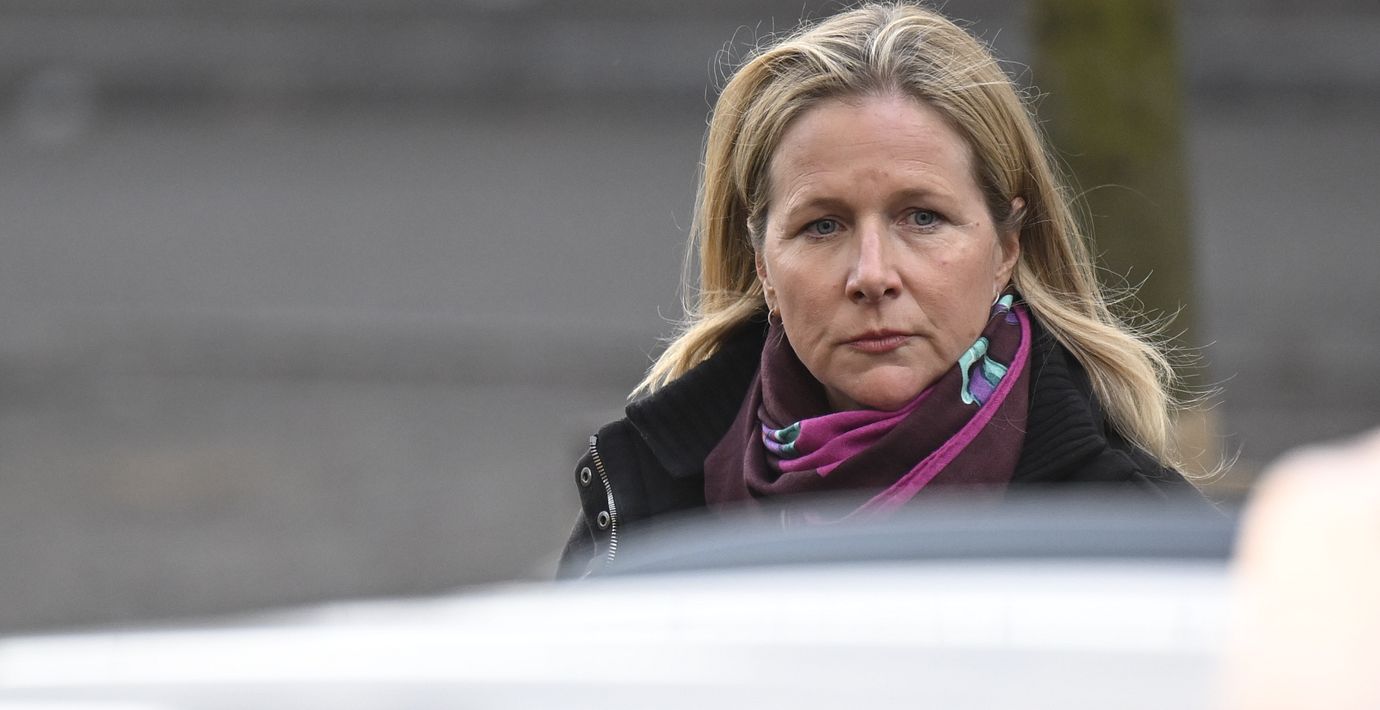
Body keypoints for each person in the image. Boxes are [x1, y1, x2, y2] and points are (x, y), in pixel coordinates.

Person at [559, 2, 1197, 578]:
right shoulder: (645, 514)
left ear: (1007, 248)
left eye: (922, 217)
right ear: (763, 267)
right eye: (823, 226)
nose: (871, 275)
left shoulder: (1138, 540)